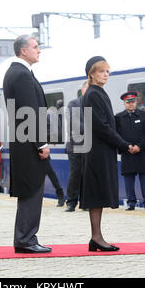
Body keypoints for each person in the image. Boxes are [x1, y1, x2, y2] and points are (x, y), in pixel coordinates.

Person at [3, 34, 51, 254]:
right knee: (32, 190)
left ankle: (25, 237)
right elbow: (29, 113)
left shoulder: (16, 72)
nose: (39, 50)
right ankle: (26, 239)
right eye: (35, 46)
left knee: (29, 191)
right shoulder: (21, 75)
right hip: (28, 144)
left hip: (22, 142)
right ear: (23, 50)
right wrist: (41, 143)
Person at [80, 56, 133, 252]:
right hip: (97, 151)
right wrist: (123, 144)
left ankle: (96, 237)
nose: (105, 74)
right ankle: (96, 237)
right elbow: (101, 126)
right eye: (101, 71)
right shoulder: (93, 94)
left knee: (98, 193)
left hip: (101, 149)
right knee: (97, 193)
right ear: (91, 74)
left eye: (108, 71)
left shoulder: (98, 92)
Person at [115, 91, 145, 210]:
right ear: (124, 103)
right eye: (128, 102)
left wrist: (139, 146)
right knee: (128, 178)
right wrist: (127, 146)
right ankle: (131, 202)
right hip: (127, 153)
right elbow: (116, 135)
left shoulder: (143, 115)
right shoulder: (118, 117)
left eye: (133, 102)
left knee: (144, 177)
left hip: (141, 152)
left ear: (136, 102)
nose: (131, 104)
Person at [65, 81, 89, 212]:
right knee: (75, 174)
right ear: (82, 89)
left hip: (90, 145)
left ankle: (85, 202)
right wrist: (93, 128)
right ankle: (71, 202)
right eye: (88, 87)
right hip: (75, 145)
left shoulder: (95, 105)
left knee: (87, 174)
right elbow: (74, 124)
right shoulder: (73, 104)